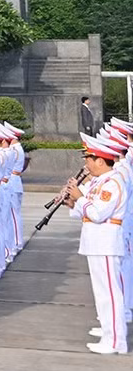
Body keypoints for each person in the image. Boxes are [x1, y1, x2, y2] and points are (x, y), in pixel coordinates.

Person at [64, 132, 127, 354]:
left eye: (88, 160)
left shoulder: (112, 182)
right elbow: (85, 210)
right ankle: (109, 332)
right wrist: (72, 200)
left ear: (100, 160)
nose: (86, 165)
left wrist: (79, 197)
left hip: (106, 241)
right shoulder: (101, 181)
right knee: (102, 293)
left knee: (109, 293)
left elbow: (98, 213)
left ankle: (115, 340)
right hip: (96, 241)